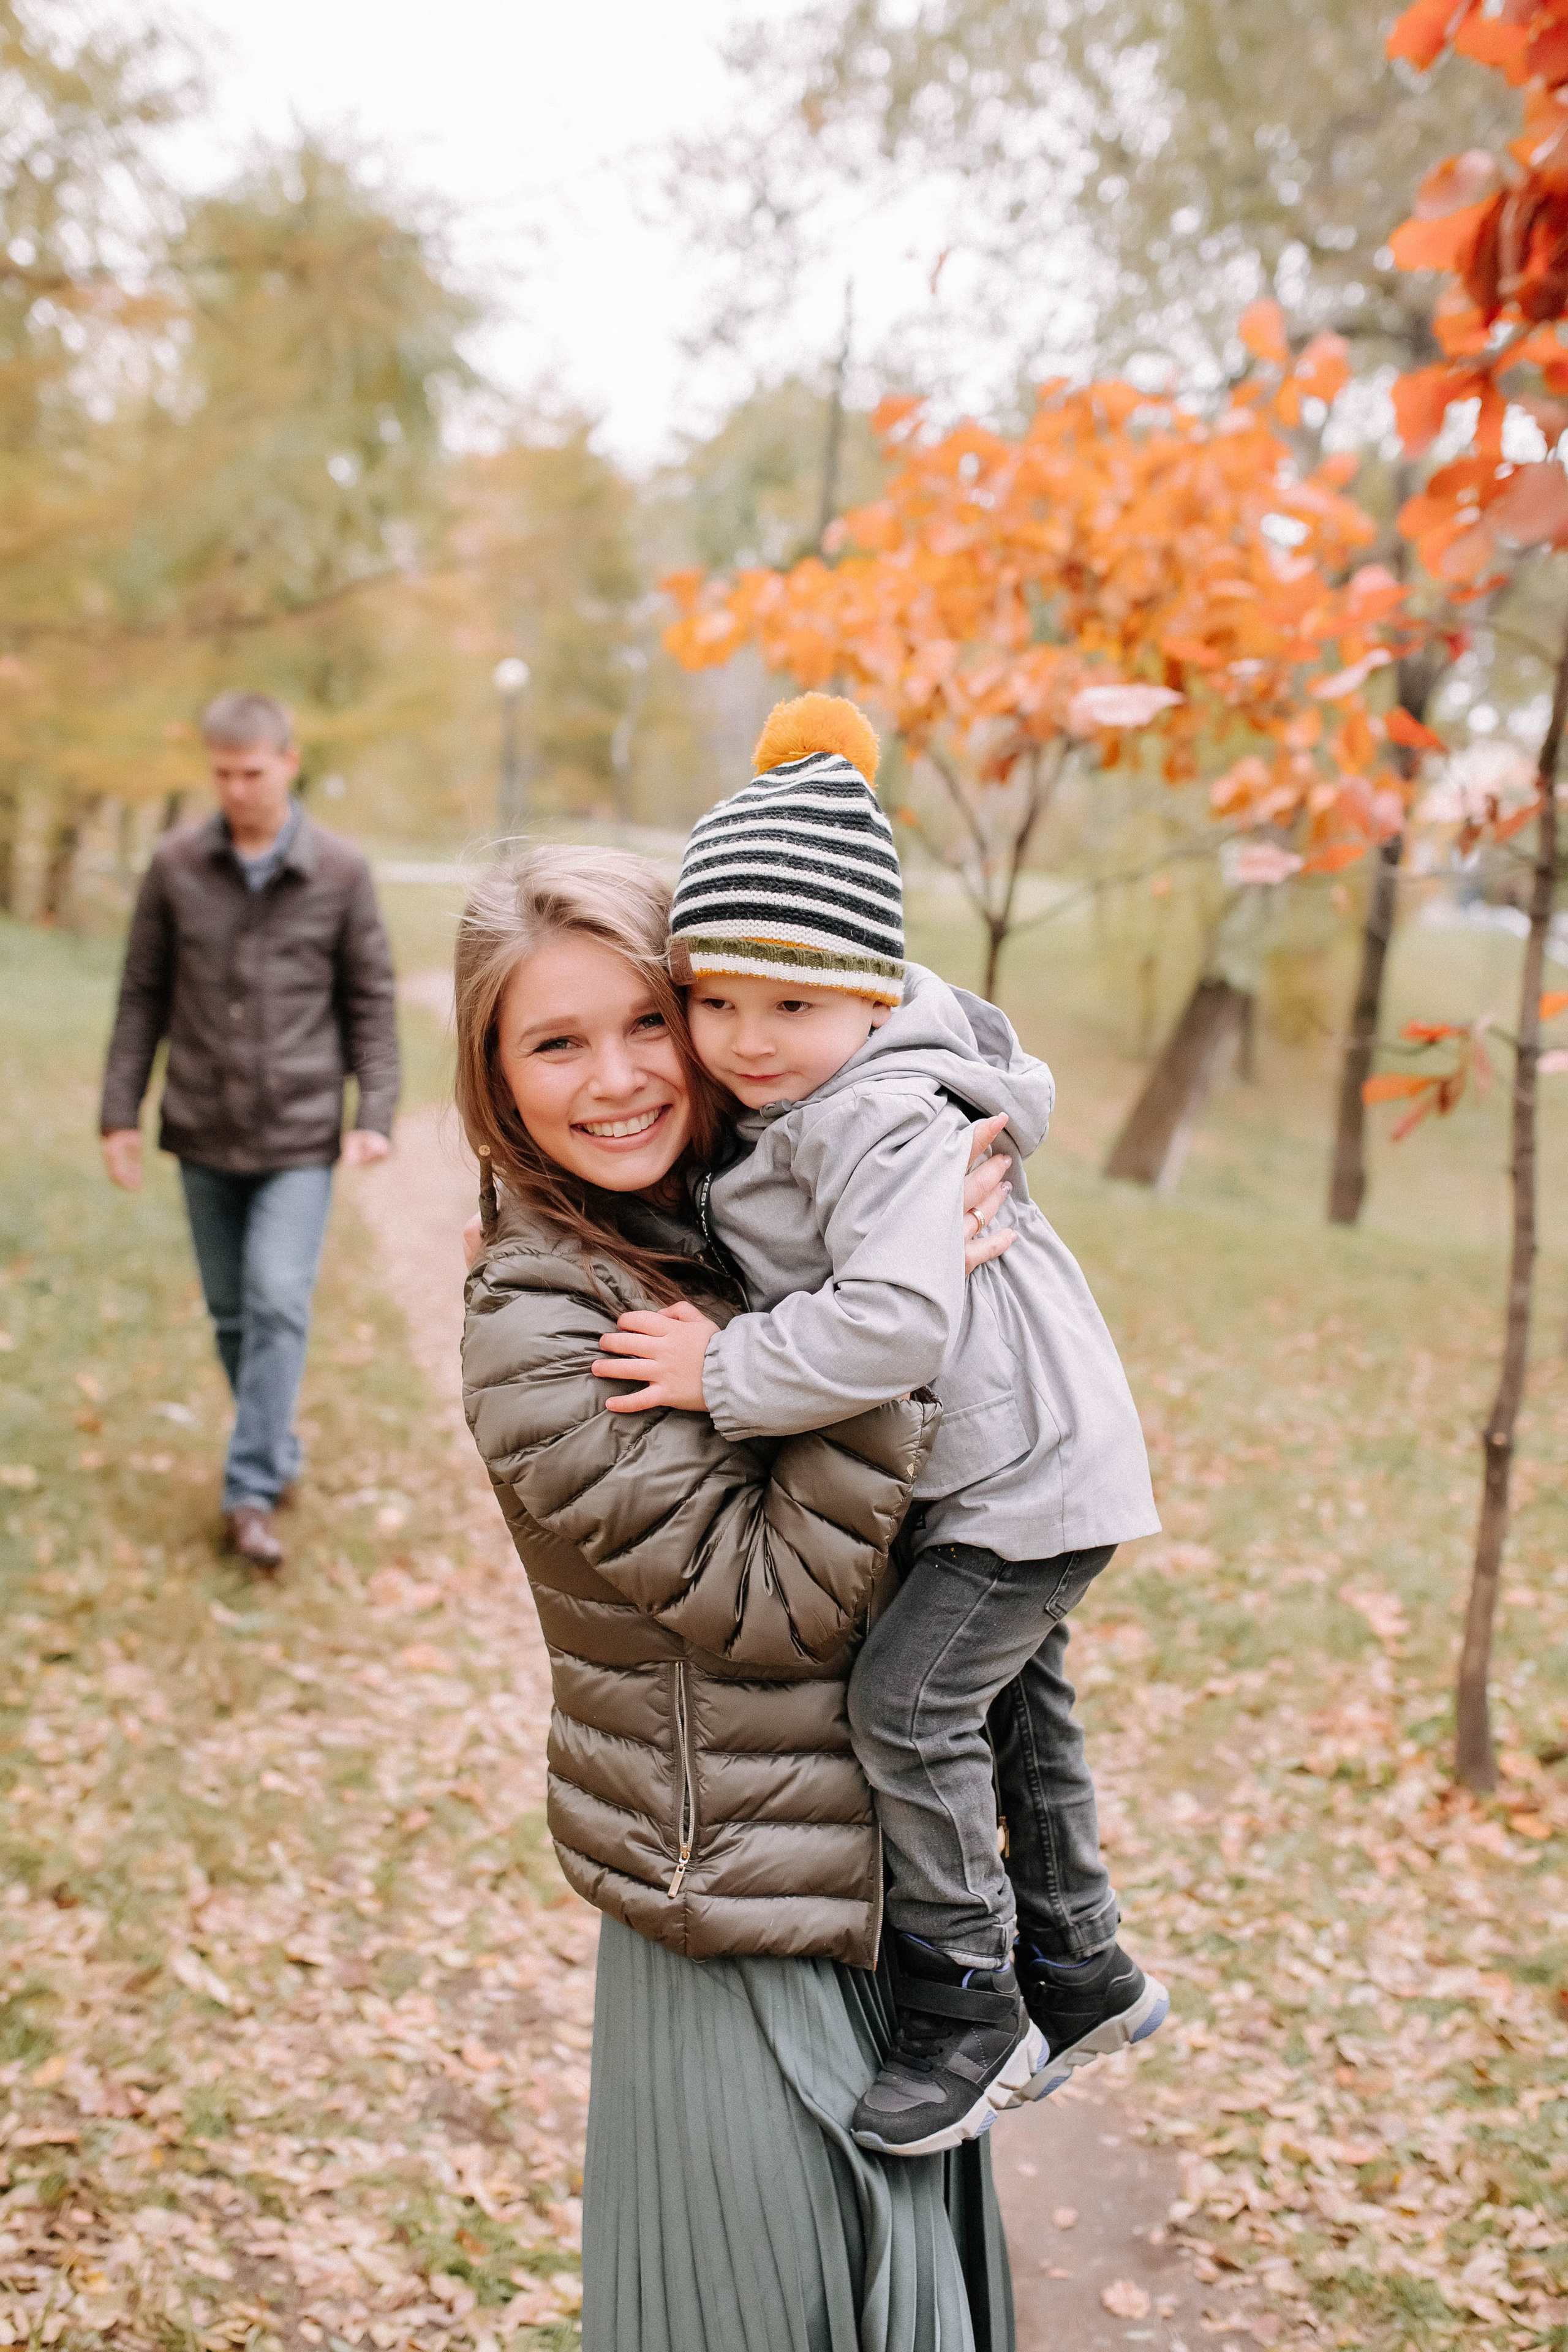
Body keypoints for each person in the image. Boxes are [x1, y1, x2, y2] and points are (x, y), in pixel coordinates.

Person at [455, 845, 1018, 2352]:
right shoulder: (538, 1320)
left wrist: (896, 1261)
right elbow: (770, 1601)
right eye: (554, 1044)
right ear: (498, 1084)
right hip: (732, 1909)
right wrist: (891, 1346)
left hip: (868, 1880)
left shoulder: (762, 1221)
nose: (618, 1078)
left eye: (651, 1021)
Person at [590, 692, 1167, 2160]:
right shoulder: (831, 1092)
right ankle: (1085, 1968)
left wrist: (727, 1365)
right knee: (1013, 1705)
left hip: (1014, 1474)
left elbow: (899, 1322)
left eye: (788, 1007)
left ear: (866, 994)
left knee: (905, 1712)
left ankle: (968, 2005)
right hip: (1028, 1463)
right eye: (713, 1000)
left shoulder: (877, 1117)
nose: (743, 1041)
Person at [99, 690, 399, 1573]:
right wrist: (120, 1110)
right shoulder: (175, 866)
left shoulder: (341, 871)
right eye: (222, 774)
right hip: (200, 1125)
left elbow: (372, 1004)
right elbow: (141, 994)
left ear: (289, 762)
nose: (237, 789)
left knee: (276, 1298)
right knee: (235, 1318)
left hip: (300, 1135)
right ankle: (278, 1449)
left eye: (253, 772)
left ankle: (250, 1492)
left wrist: (374, 1113)